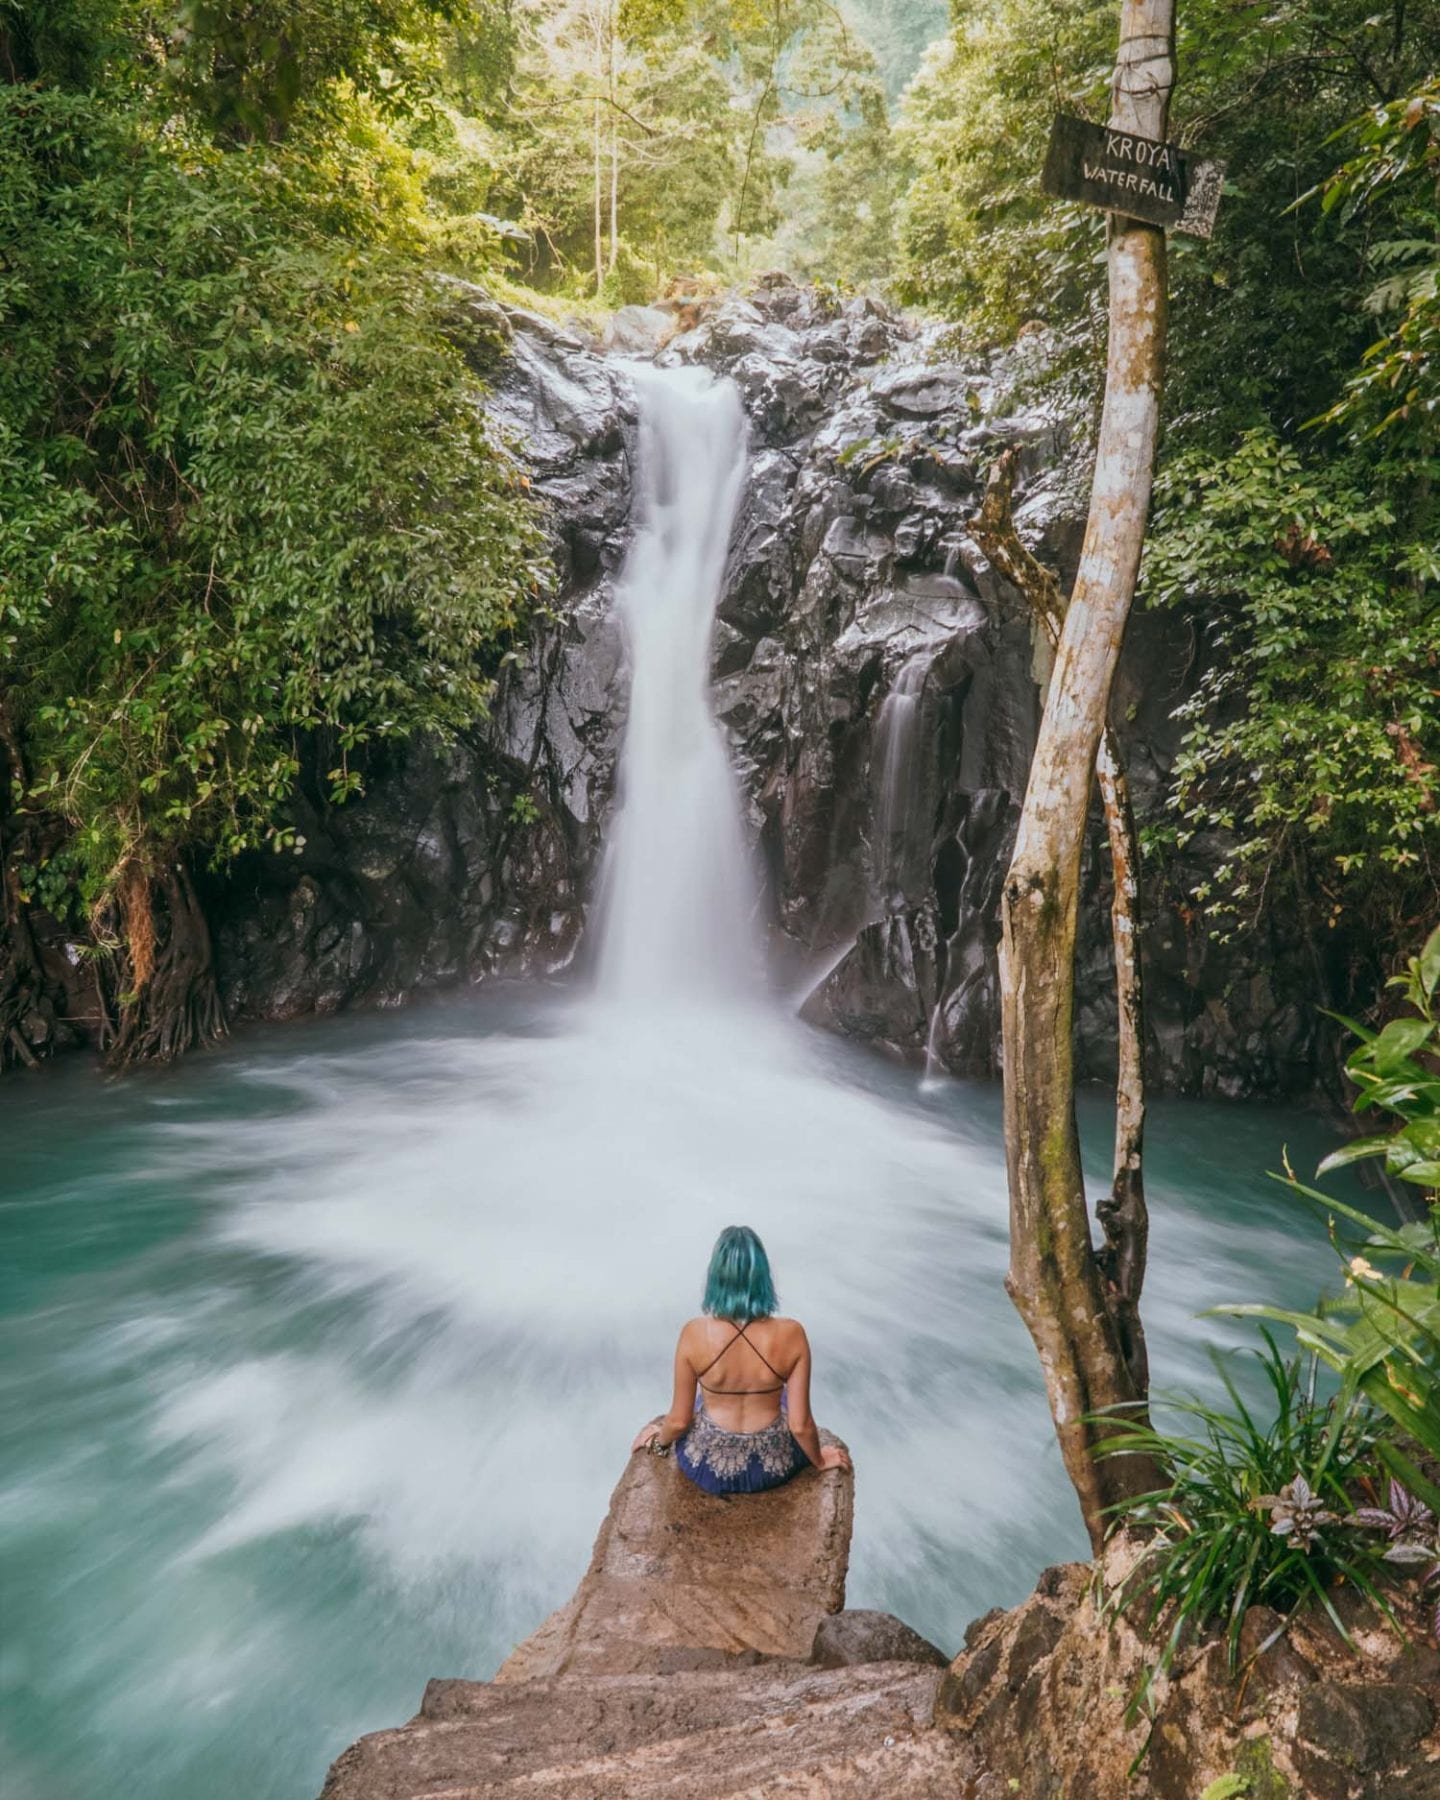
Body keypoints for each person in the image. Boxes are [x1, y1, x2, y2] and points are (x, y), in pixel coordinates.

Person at [630, 1225, 852, 1493]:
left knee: (703, 1399)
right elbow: (800, 1424)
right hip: (773, 1467)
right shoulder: (792, 1333)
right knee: (780, 1397)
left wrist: (657, 1443)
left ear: (716, 1276)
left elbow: (678, 1420)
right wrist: (820, 1460)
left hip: (708, 1469)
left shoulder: (693, 1333)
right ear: (763, 1276)